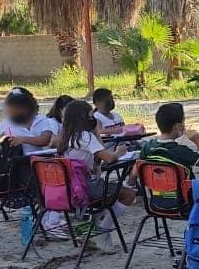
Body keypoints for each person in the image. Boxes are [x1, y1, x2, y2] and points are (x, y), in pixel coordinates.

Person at [48, 100, 136, 245]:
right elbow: (108, 158)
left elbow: (92, 164)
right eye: (90, 115)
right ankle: (103, 230)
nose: (93, 118)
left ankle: (93, 224)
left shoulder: (65, 136)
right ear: (84, 118)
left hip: (68, 189)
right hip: (84, 188)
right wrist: (119, 152)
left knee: (110, 193)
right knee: (128, 195)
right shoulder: (84, 136)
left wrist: (95, 160)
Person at [0, 87, 57, 155]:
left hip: (39, 161)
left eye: (20, 107)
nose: (17, 111)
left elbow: (45, 140)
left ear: (30, 106)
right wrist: (0, 147)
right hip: (17, 162)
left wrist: (22, 139)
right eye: (13, 108)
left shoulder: (42, 119)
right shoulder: (7, 122)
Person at [141, 102, 199, 170]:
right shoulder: (182, 152)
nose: (184, 124)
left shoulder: (147, 146)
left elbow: (135, 171)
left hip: (154, 182)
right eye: (183, 121)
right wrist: (198, 141)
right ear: (178, 126)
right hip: (179, 182)